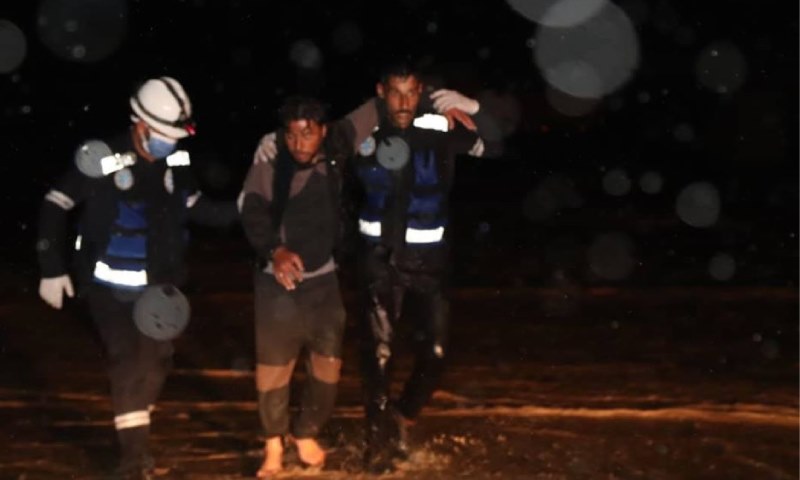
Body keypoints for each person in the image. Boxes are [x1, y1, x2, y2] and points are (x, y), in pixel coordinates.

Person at [36, 76, 239, 479]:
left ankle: (134, 431)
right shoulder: (103, 156)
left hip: (160, 289)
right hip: (108, 289)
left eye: (175, 135)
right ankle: (133, 462)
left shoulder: (177, 160)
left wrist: (250, 207)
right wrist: (52, 268)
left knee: (155, 364)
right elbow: (55, 204)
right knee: (127, 362)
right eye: (163, 134)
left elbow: (200, 208)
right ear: (140, 124)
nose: (170, 143)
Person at [352, 60, 504, 473]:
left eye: (411, 92)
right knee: (379, 356)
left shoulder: (440, 128)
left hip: (430, 264)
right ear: (381, 92)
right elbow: (311, 153)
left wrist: (474, 109)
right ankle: (376, 446)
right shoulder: (363, 128)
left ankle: (401, 417)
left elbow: (494, 145)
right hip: (379, 261)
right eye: (395, 92)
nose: (403, 102)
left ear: (421, 93)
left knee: (435, 354)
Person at [239, 95, 378, 478]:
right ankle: (272, 445)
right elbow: (250, 209)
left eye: (308, 134)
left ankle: (305, 434)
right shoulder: (270, 160)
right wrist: (274, 250)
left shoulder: (337, 145)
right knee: (273, 371)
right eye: (291, 135)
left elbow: (380, 105)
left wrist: (446, 102)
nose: (299, 143)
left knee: (328, 366)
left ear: (324, 132)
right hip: (276, 284)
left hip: (324, 282)